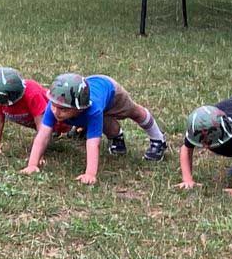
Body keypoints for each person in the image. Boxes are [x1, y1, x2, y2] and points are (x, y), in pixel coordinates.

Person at [23, 72, 167, 185]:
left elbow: (93, 143)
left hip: (111, 91)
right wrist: (32, 164)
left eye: (63, 109)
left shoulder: (94, 109)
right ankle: (117, 137)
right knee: (102, 121)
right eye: (54, 106)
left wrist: (90, 174)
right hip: (88, 91)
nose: (56, 111)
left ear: (79, 108)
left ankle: (158, 139)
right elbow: (43, 134)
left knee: (133, 112)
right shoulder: (55, 105)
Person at [0, 67, 58, 156]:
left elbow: (42, 125)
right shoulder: (1, 97)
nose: (0, 105)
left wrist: (38, 156)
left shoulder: (33, 94)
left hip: (64, 122)